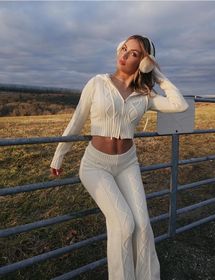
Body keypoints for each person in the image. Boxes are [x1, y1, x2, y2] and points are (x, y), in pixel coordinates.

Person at [50, 34, 189, 280]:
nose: (124, 55)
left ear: (143, 62)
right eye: (124, 49)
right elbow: (76, 121)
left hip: (127, 163)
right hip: (96, 166)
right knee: (124, 225)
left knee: (143, 226)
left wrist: (156, 74)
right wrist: (59, 155)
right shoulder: (97, 83)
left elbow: (180, 105)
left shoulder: (146, 97)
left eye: (134, 53)